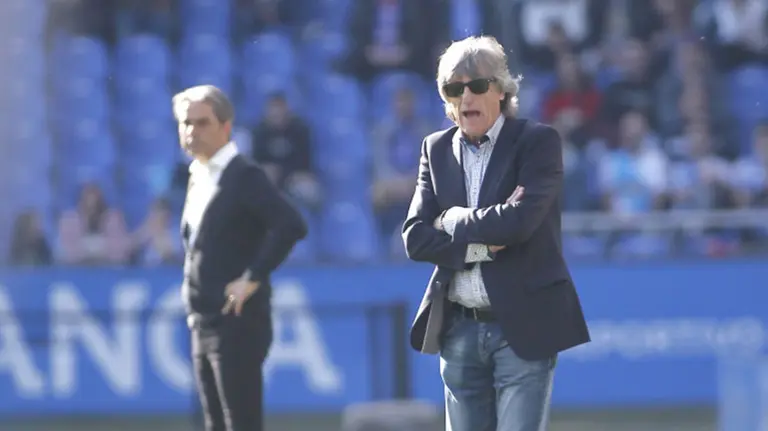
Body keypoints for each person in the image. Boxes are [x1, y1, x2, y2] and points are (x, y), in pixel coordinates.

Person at [402, 36, 590, 431]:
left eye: (477, 85)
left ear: (502, 90)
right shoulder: (434, 149)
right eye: (455, 88)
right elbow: (416, 237)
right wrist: (481, 248)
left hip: (521, 326)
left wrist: (451, 219)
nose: (466, 95)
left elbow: (519, 223)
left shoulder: (537, 141)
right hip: (459, 330)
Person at [174, 85, 307, 431]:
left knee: (240, 423)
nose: (192, 131)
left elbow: (291, 224)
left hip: (237, 320)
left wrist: (253, 276)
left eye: (202, 122)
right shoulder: (198, 176)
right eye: (186, 123)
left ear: (225, 126)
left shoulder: (242, 175)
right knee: (215, 424)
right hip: (203, 320)